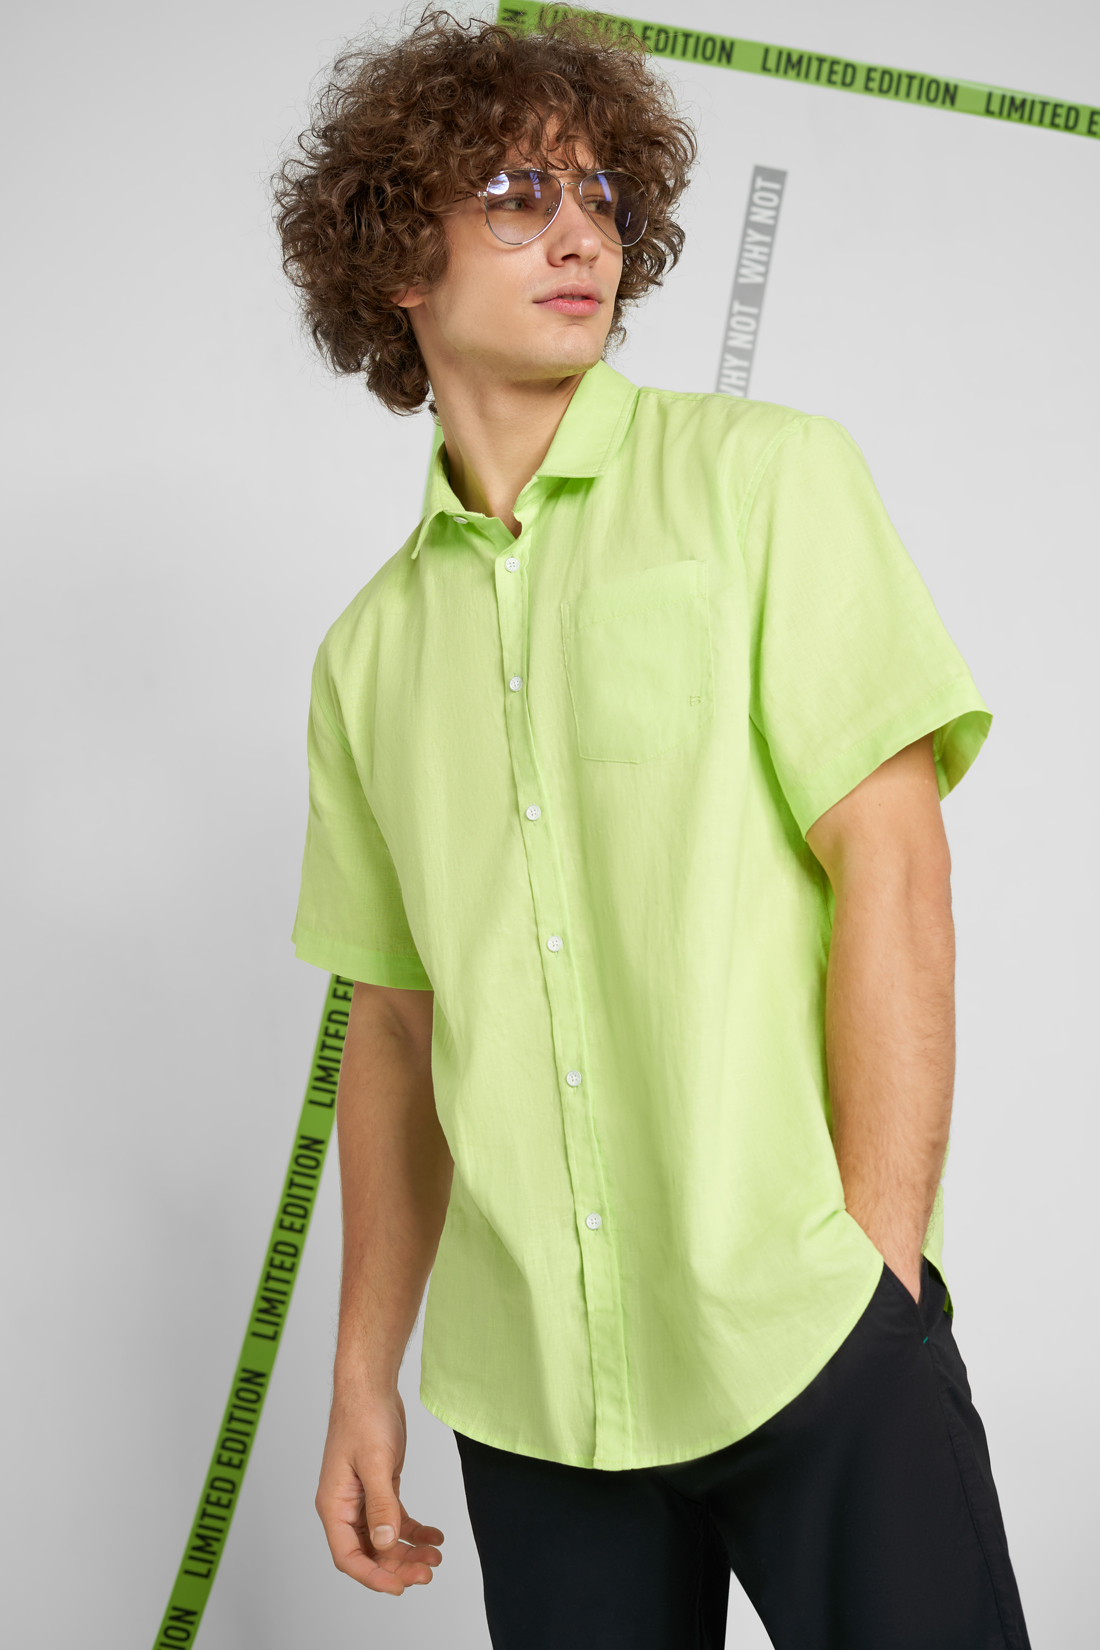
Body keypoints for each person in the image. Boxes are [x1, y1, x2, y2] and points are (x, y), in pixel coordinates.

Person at [273, 9, 1031, 1648]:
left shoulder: (767, 483)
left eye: (602, 197)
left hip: (804, 1326)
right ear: (395, 260)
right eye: (515, 196)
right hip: (533, 1394)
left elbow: (894, 859)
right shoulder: (365, 658)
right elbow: (394, 1025)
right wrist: (361, 1375)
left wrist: (879, 1278)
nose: (579, 236)